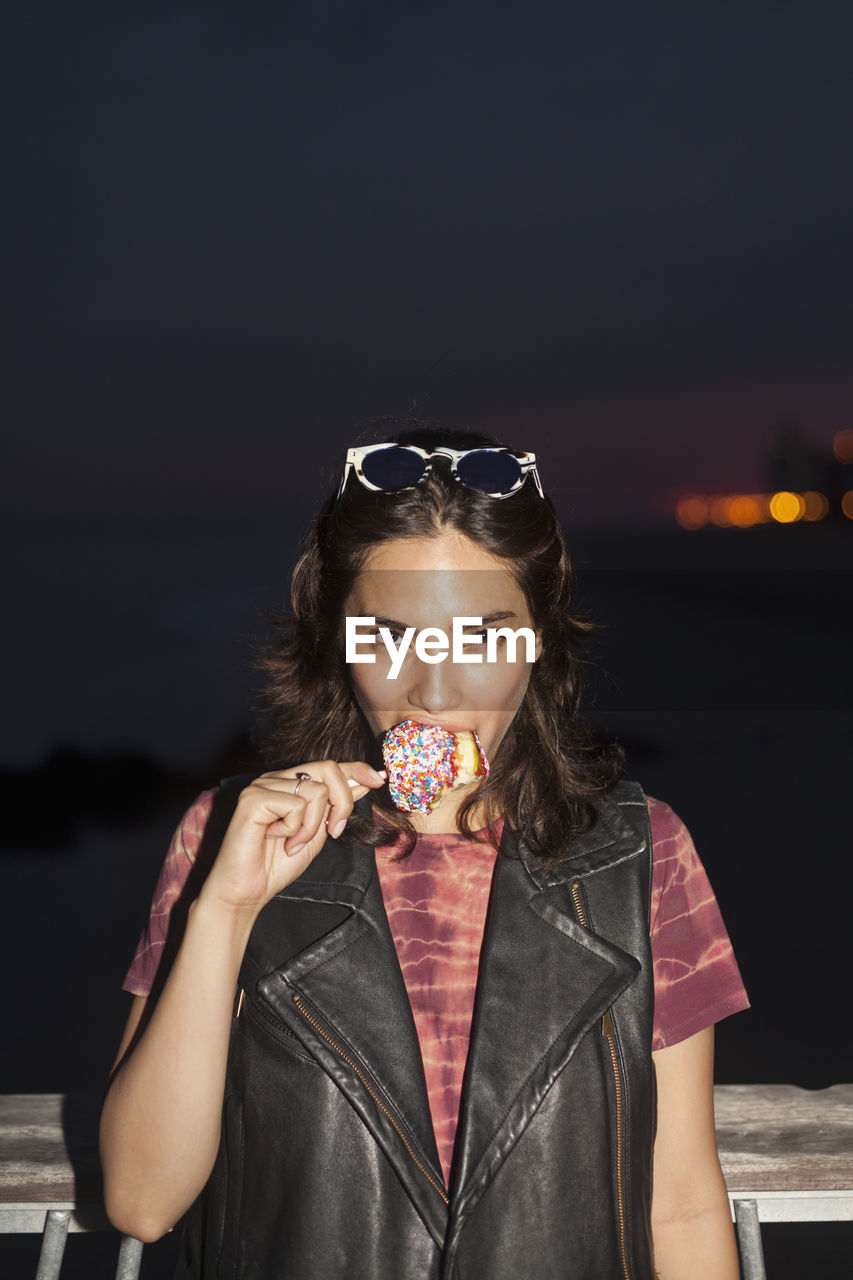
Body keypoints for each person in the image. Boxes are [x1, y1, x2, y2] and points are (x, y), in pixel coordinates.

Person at [100, 426, 749, 1279]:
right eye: (391, 637)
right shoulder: (229, 836)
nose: (433, 692)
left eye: (482, 637)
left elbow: (682, 1203)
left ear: (540, 637)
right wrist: (226, 912)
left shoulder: (641, 850)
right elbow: (143, 1201)